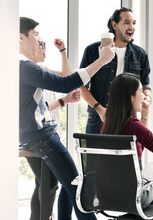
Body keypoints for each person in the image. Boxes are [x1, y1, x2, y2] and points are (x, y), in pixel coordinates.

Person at [19, 16, 114, 220]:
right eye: (36, 34)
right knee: (77, 188)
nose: (39, 39)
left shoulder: (19, 66)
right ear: (21, 37)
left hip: (36, 137)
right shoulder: (24, 66)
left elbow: (32, 106)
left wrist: (63, 101)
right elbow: (65, 82)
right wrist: (102, 61)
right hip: (42, 138)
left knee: (61, 186)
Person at [101, 72, 153, 219]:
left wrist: (144, 116)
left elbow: (138, 148)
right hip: (133, 196)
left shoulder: (109, 124)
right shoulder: (133, 125)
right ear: (130, 97)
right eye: (140, 92)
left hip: (106, 195)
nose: (144, 96)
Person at [25, 36, 78, 220]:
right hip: (41, 136)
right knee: (48, 184)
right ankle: (45, 216)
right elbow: (42, 107)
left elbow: (66, 76)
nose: (44, 48)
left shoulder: (42, 70)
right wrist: (64, 100)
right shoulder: (28, 73)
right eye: (41, 44)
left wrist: (62, 51)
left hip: (49, 133)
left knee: (43, 183)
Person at [80, 7, 151, 135]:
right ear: (114, 25)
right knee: (96, 156)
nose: (132, 26)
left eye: (134, 23)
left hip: (128, 121)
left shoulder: (140, 54)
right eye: (126, 22)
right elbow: (81, 85)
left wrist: (147, 98)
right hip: (97, 120)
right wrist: (100, 109)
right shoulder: (92, 51)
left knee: (132, 155)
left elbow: (145, 84)